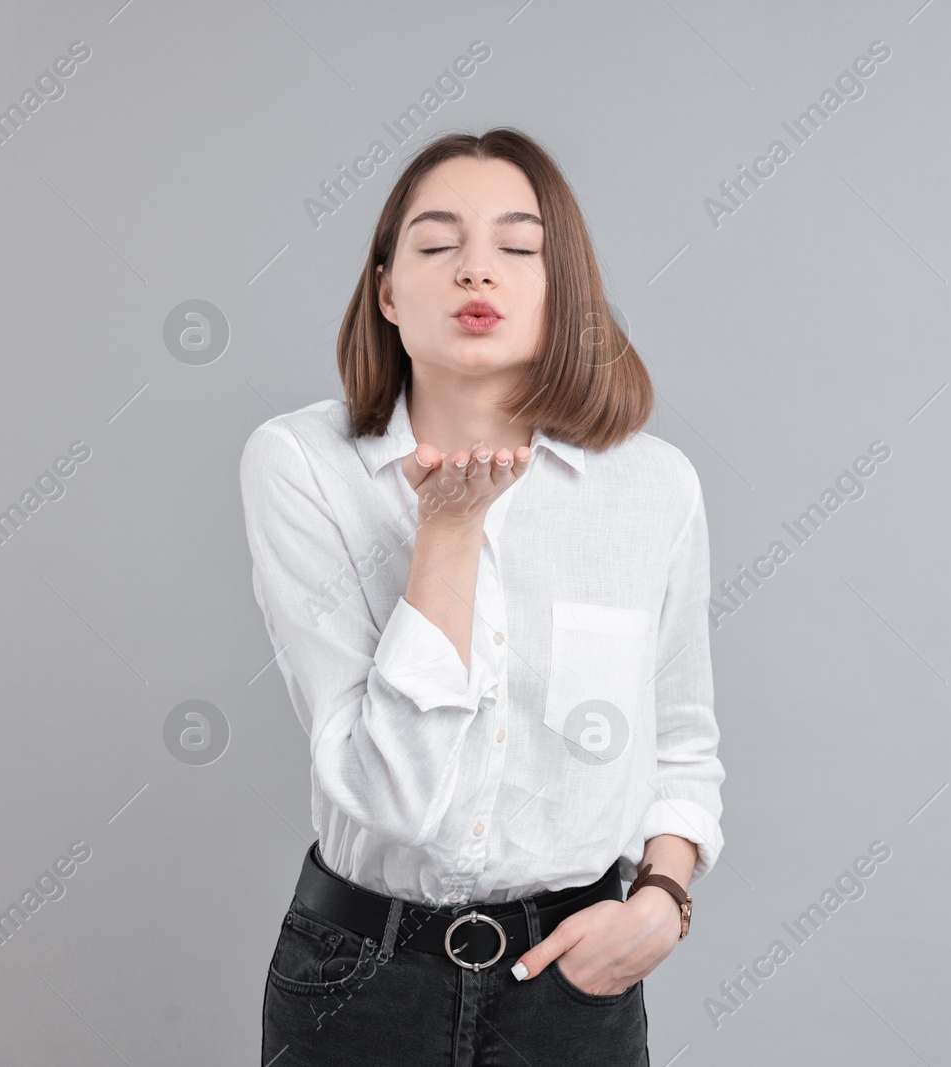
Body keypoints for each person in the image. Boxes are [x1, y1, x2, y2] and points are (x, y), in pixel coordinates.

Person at [239, 127, 724, 1065]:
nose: (476, 272)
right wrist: (448, 534)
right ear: (386, 290)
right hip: (358, 984)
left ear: (561, 289)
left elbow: (681, 740)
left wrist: (663, 901)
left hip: (571, 987)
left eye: (516, 246)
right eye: (435, 245)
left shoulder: (654, 487)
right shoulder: (300, 464)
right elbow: (391, 797)